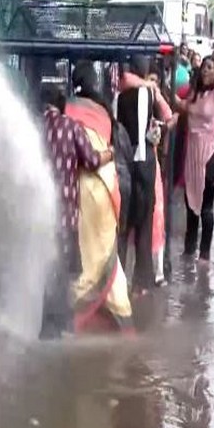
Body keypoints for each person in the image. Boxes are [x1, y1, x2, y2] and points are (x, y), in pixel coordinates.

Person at [39, 84, 113, 339]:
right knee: (64, 271)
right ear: (62, 106)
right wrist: (110, 153)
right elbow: (92, 161)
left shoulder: (33, 128)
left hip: (40, 216)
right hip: (65, 216)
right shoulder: (70, 127)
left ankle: (56, 324)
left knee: (48, 268)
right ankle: (55, 327)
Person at [64, 61, 133, 333]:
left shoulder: (66, 109)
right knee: (106, 255)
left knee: (82, 256)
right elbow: (122, 160)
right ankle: (124, 320)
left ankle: (73, 320)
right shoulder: (105, 113)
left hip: (76, 190)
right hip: (105, 188)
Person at [117, 56, 173, 295]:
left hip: (125, 164)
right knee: (144, 223)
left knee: (123, 223)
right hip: (145, 163)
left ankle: (117, 280)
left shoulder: (120, 97)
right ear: (145, 71)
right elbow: (166, 117)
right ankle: (142, 282)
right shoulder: (148, 94)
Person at [175, 22, 214, 267]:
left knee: (206, 207)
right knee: (190, 203)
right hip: (192, 156)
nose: (208, 71)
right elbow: (178, 103)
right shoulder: (194, 96)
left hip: (209, 156)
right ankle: (188, 250)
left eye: (210, 68)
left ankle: (204, 255)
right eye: (204, 67)